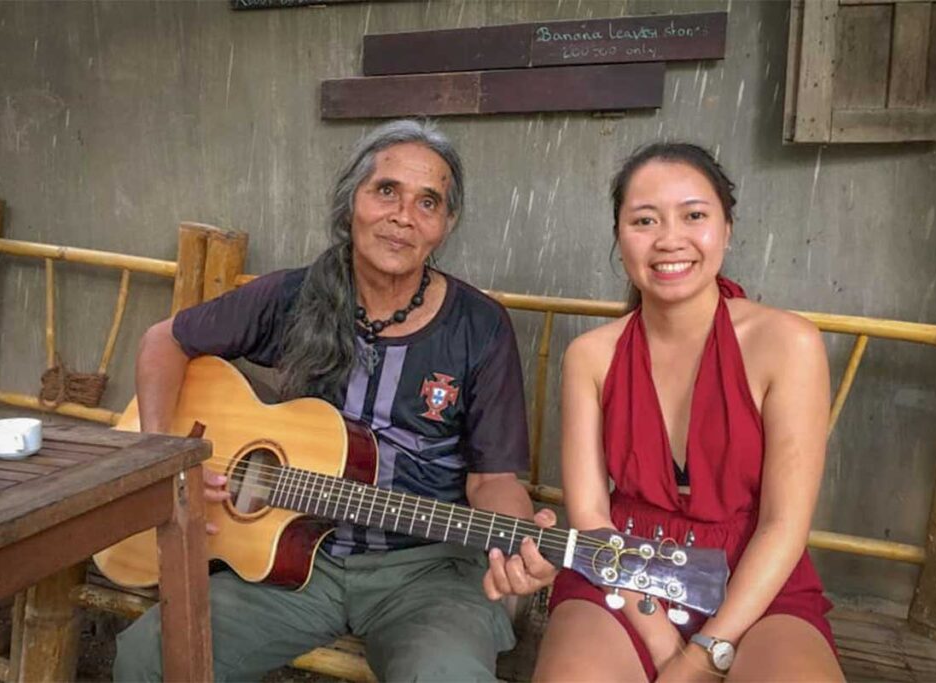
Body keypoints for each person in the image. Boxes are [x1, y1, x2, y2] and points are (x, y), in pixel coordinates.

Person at [113, 119, 557, 682]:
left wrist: (517, 547)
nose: (403, 216)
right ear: (352, 201)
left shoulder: (479, 326)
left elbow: (492, 481)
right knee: (146, 658)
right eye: (386, 190)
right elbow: (164, 341)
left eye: (428, 202)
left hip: (425, 573)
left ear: (445, 225)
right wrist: (169, 461)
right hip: (289, 564)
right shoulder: (293, 296)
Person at [534, 143, 844, 682]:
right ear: (619, 237)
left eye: (694, 215)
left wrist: (703, 653)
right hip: (621, 571)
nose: (669, 239)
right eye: (644, 220)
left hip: (754, 575)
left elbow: (783, 525)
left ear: (726, 228)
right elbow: (590, 516)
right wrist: (661, 645)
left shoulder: (787, 343)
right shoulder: (591, 356)